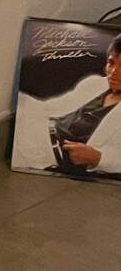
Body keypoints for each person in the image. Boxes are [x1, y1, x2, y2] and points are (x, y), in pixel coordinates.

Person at [15, 34, 121, 176]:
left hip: (46, 154)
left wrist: (98, 158)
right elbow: (50, 108)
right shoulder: (95, 83)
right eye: (111, 63)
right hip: (37, 127)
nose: (114, 72)